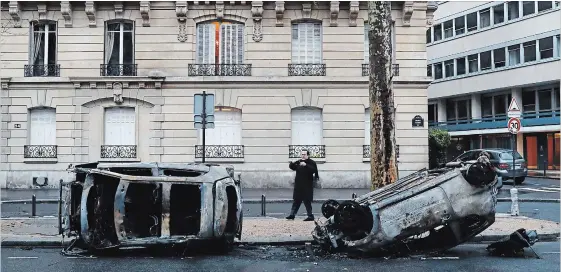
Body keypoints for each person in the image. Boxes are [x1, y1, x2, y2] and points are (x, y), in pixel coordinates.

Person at [286, 149, 318, 221]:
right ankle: (292, 215)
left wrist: (306, 165)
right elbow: (292, 167)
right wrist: (292, 163)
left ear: (308, 155)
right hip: (298, 185)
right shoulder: (299, 162)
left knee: (307, 202)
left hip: (307, 186)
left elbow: (314, 170)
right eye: (302, 154)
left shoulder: (311, 162)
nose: (303, 156)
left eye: (304, 154)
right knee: (296, 201)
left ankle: (310, 216)